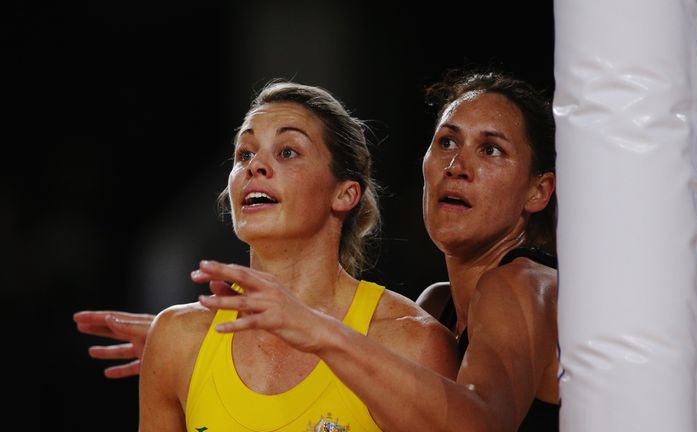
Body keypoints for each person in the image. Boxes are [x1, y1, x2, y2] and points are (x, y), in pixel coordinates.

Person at [75, 70, 559, 431]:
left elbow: (482, 424)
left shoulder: (517, 284)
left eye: (490, 149)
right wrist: (196, 344)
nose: (457, 165)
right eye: (446, 141)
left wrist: (312, 328)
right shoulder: (436, 308)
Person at [133, 80, 458, 431]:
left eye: (287, 151)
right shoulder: (176, 339)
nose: (255, 165)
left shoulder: (413, 343)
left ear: (344, 194)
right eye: (245, 153)